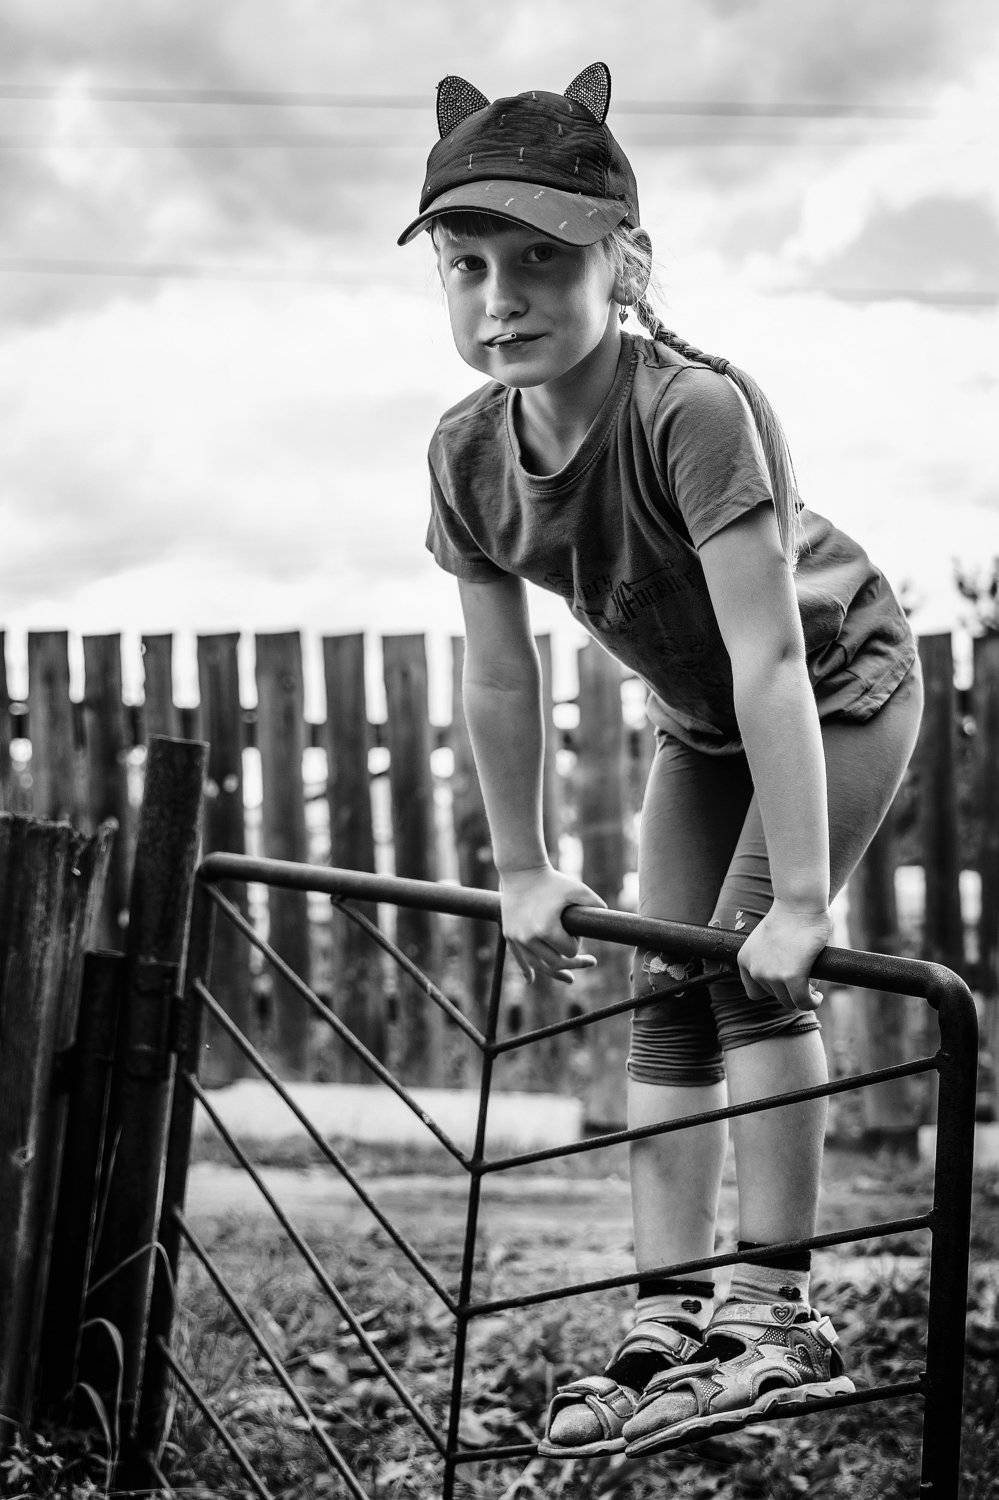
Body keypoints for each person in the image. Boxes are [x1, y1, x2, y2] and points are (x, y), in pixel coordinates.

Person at [398, 62, 922, 1458]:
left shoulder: (690, 410)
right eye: (467, 266)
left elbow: (772, 657)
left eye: (541, 260)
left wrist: (800, 901)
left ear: (620, 264)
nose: (501, 298)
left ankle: (778, 1311)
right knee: (662, 993)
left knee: (751, 964)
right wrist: (522, 868)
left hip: (839, 685)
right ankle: (669, 1313)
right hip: (701, 726)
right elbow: (499, 673)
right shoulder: (465, 455)